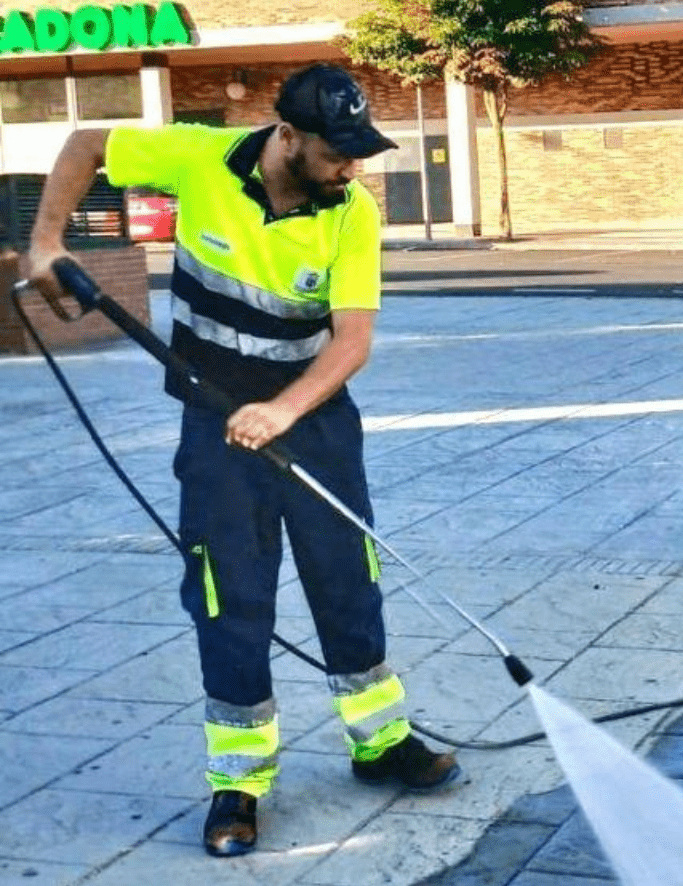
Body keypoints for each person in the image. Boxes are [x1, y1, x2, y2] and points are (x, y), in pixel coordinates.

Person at [25, 63, 460, 859]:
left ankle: (380, 741)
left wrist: (284, 409)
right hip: (214, 425)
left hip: (315, 419)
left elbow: (352, 340)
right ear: (287, 137)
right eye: (338, 152)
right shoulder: (201, 158)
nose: (353, 167)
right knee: (231, 596)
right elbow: (86, 142)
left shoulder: (350, 213)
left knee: (346, 579)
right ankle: (240, 781)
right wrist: (47, 242)